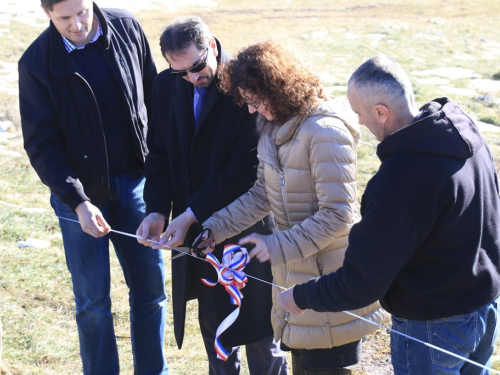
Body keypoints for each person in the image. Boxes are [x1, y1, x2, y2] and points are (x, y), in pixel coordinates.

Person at [279, 54, 500, 374]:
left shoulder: (398, 181)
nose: (359, 123)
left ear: (381, 112)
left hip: (432, 326)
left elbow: (362, 282)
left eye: (360, 114)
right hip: (485, 308)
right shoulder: (462, 132)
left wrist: (301, 296)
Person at [197, 40, 388, 375]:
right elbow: (261, 194)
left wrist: (275, 246)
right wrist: (214, 227)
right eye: (248, 103)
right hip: (296, 281)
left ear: (278, 87)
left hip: (327, 283)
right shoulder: (272, 129)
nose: (252, 110)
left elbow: (338, 214)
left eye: (255, 101)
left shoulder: (325, 132)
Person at [18, 1, 168, 374]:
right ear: (47, 13)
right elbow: (42, 146)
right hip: (78, 200)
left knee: (151, 291)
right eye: (64, 18)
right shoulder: (36, 63)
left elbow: (156, 101)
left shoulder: (127, 27)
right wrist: (79, 203)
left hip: (136, 185)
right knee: (92, 303)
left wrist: (160, 190)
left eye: (81, 12)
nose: (77, 24)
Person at [136, 17, 287, 375]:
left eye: (197, 67)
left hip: (246, 224)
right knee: (215, 327)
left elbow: (243, 170)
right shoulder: (163, 86)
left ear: (213, 49)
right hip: (196, 230)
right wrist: (157, 209)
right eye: (180, 73)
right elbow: (157, 153)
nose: (191, 78)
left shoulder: (244, 87)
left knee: (259, 328)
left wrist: (191, 213)